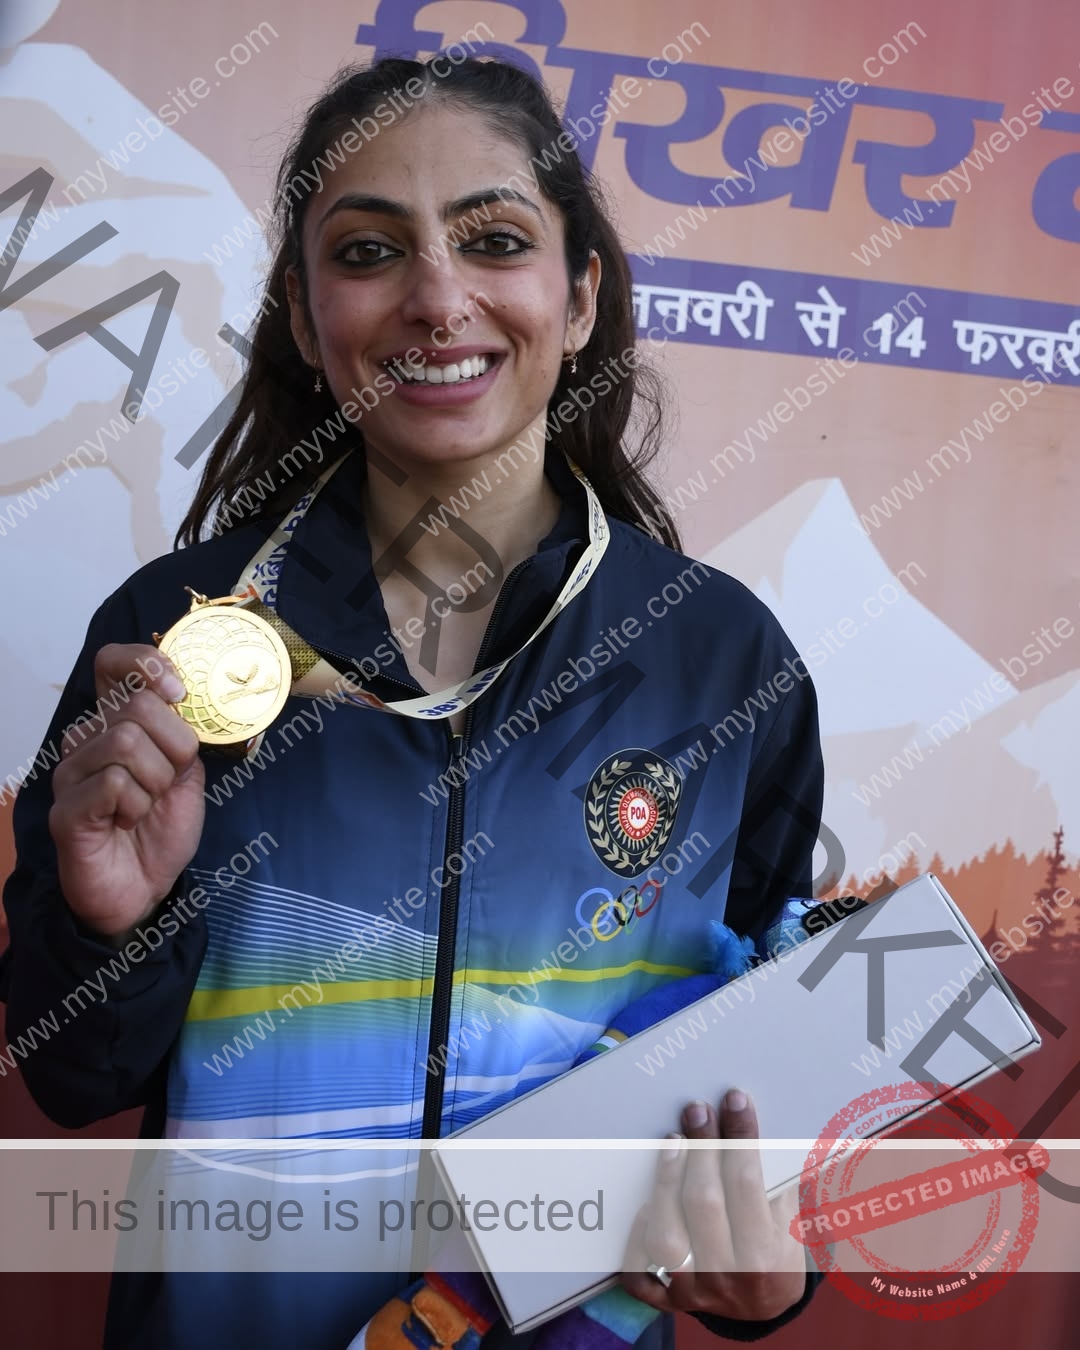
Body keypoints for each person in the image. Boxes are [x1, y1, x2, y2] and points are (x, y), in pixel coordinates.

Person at [0, 56, 825, 1349]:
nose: (439, 300)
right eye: (372, 250)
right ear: (303, 309)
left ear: (583, 293)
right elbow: (71, 1073)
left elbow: (777, 1073)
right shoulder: (168, 644)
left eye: (495, 240)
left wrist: (771, 1279)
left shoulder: (728, 666)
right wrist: (111, 923)